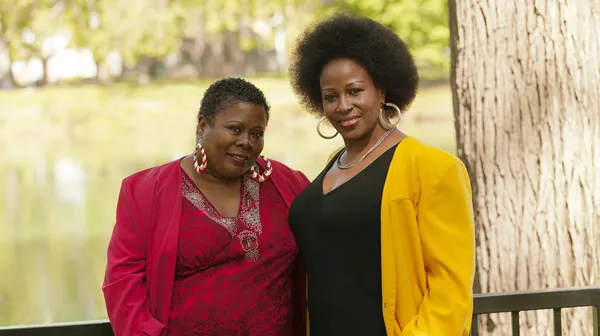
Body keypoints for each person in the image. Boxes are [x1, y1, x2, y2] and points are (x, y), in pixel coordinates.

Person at [287, 13, 475, 336]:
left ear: (382, 90)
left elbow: (450, 294)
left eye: (355, 91)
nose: (343, 105)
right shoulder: (334, 164)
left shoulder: (431, 168)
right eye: (331, 96)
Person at [102, 77, 309, 336]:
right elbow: (123, 283)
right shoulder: (145, 192)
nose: (246, 141)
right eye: (235, 129)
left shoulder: (289, 184)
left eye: (257, 133)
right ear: (202, 126)